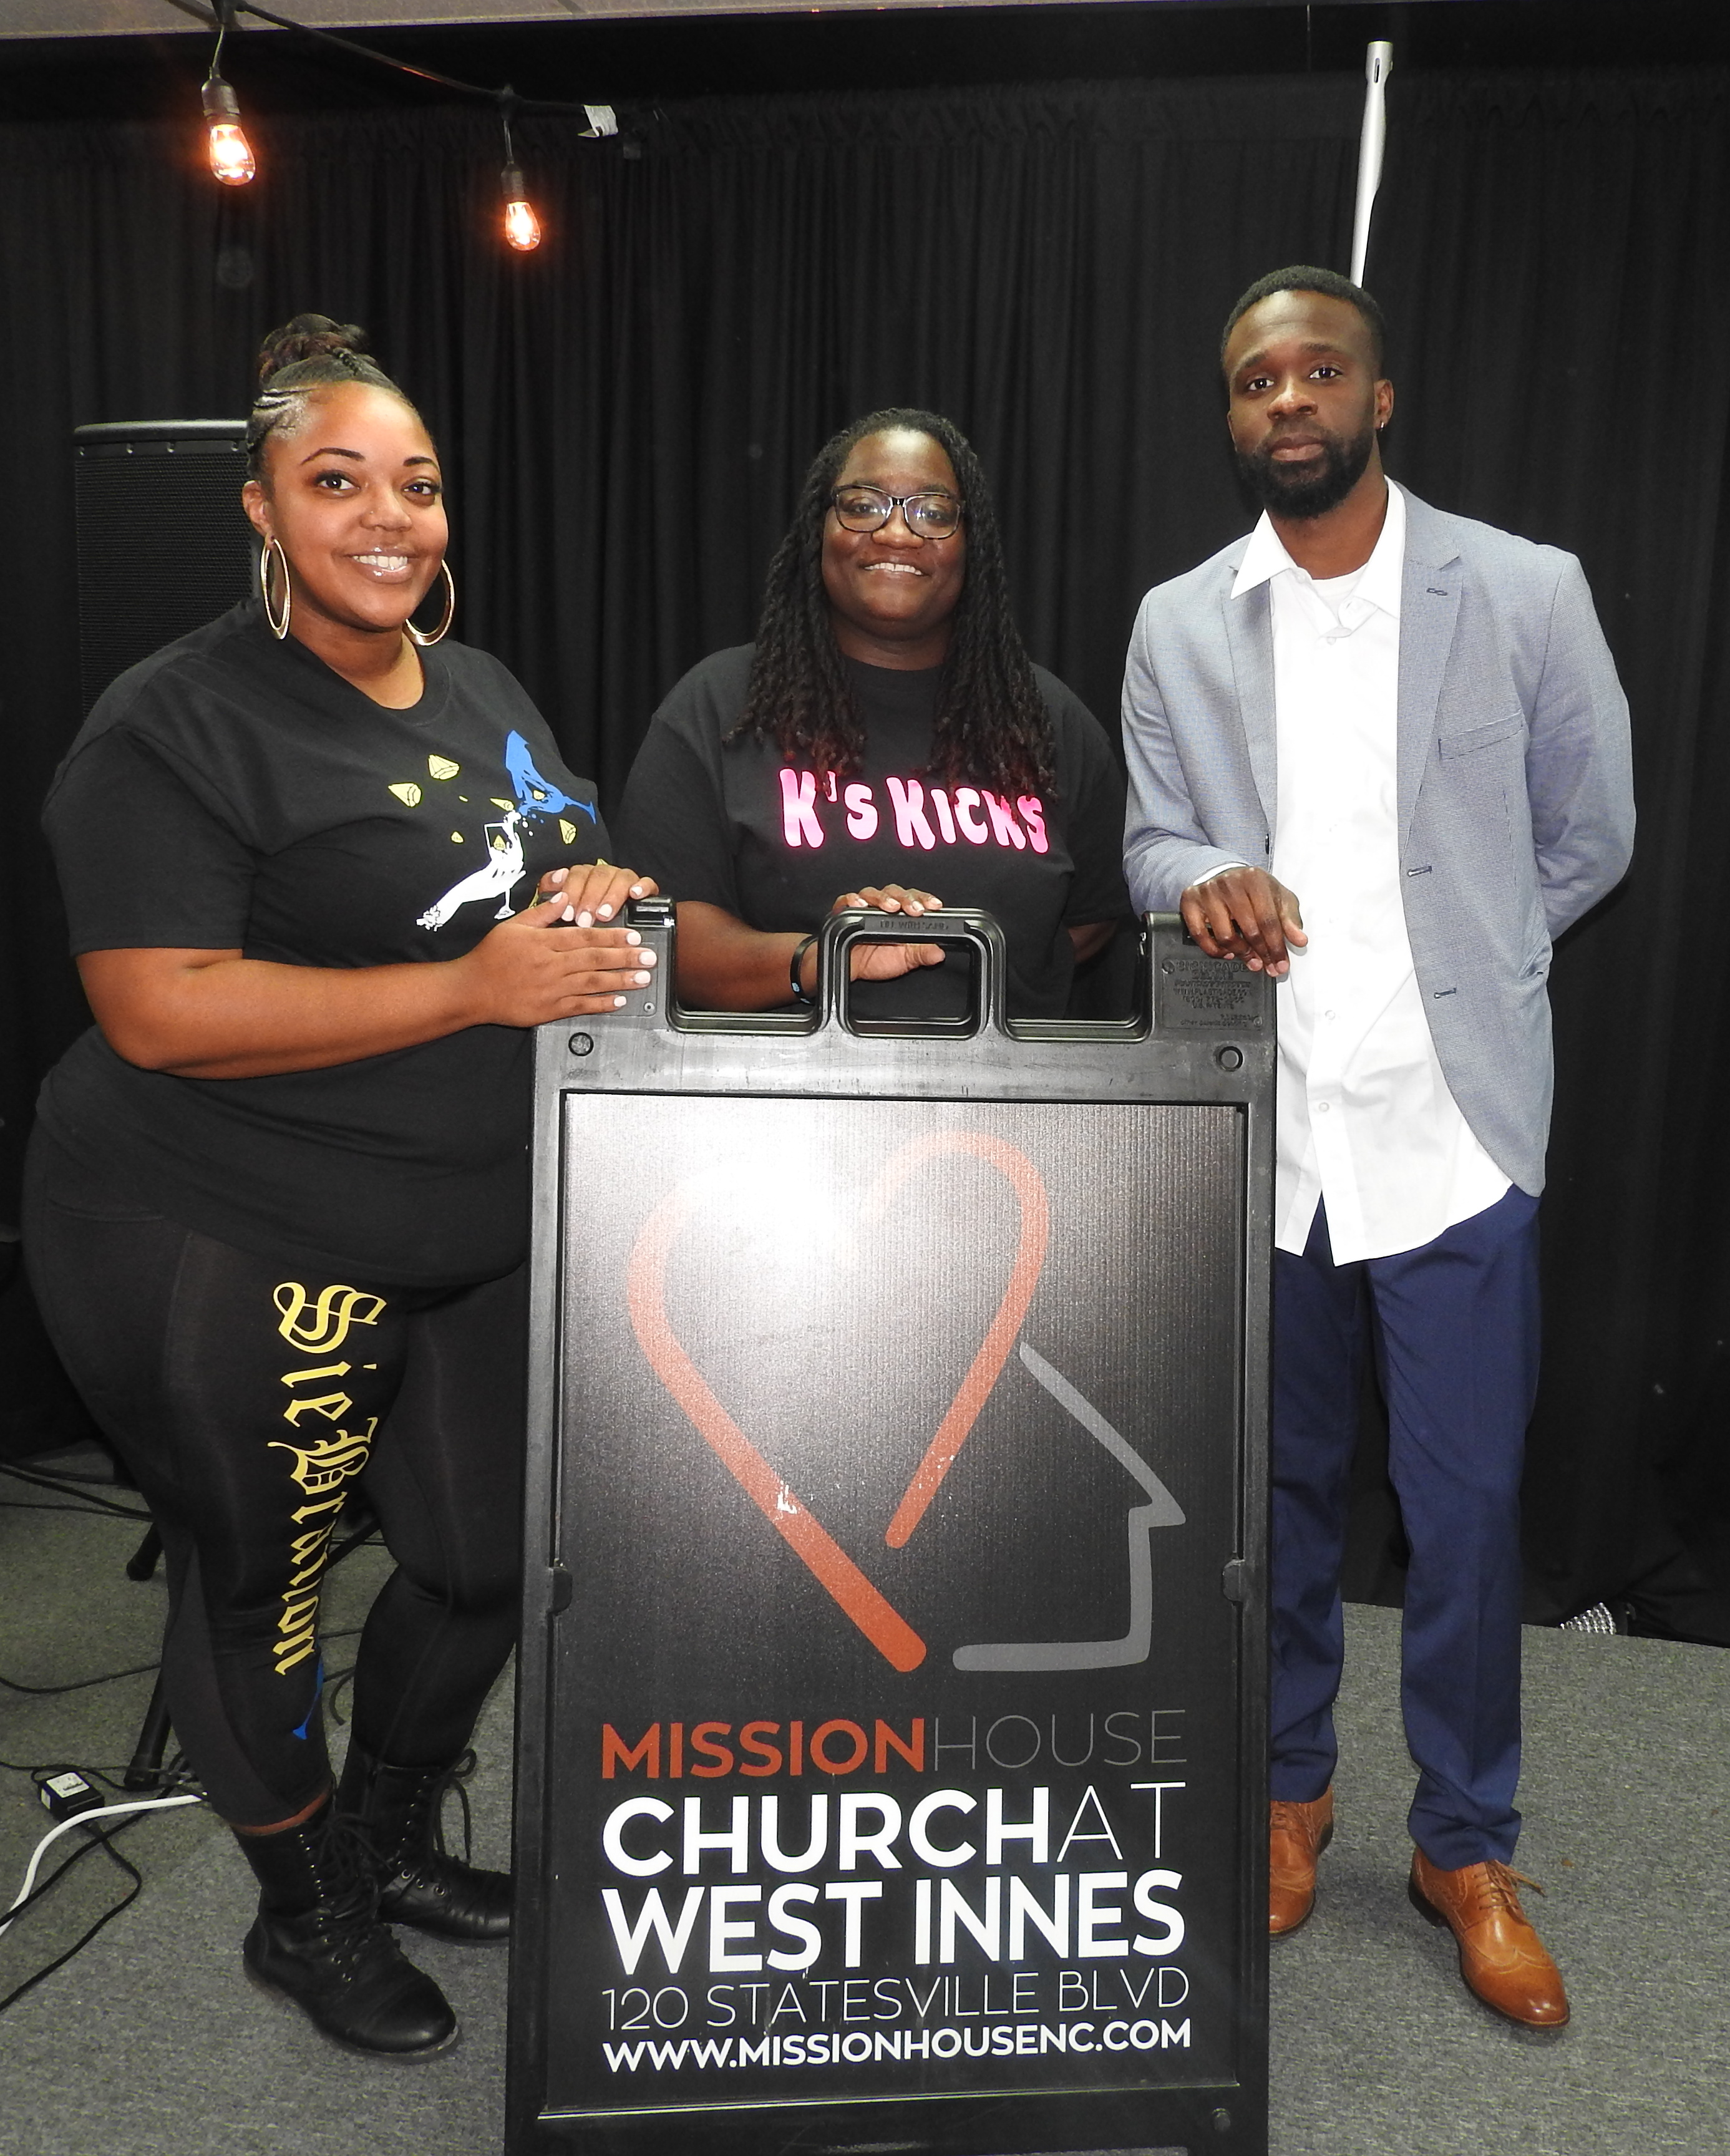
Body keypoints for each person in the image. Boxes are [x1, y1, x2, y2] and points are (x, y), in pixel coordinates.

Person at [24, 316, 656, 2059]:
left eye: (419, 484)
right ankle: (304, 1912)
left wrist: (598, 889)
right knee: (259, 1582)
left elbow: (539, 863)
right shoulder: (174, 721)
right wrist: (471, 988)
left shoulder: (481, 684)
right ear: (262, 507)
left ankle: (380, 1843)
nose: (390, 516)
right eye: (338, 481)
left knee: (484, 1561)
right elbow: (158, 1007)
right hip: (218, 1220)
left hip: (453, 1223)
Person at [1120, 268, 1634, 2027]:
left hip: (1450, 1138)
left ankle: (1463, 1843)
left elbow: (1591, 833)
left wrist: (1464, 956)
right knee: (1272, 1502)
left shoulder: (1525, 591)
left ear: (1379, 396)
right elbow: (1148, 840)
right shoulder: (1179, 622)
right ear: (1233, 413)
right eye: (1257, 379)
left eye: (1319, 370)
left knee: (1468, 1510)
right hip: (1270, 1143)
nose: (1289, 400)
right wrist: (1205, 876)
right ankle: (1288, 1797)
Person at [618, 407, 1128, 1019]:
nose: (896, 533)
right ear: (820, 528)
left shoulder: (1049, 719)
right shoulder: (719, 706)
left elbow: (1095, 914)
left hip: (1009, 1079)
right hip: (777, 1077)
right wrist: (826, 959)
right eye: (863, 505)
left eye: (933, 512)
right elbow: (667, 932)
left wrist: (996, 991)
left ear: (972, 543)